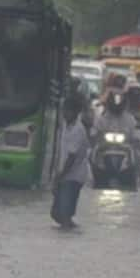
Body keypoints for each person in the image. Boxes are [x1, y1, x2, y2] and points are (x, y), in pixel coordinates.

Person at [51, 93, 90, 231]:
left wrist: (60, 176)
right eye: (64, 110)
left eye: (68, 111)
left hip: (73, 176)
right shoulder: (65, 126)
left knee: (64, 214)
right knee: (56, 214)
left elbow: (71, 158)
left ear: (76, 112)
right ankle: (71, 230)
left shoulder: (78, 130)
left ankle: (67, 236)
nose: (65, 114)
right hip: (64, 174)